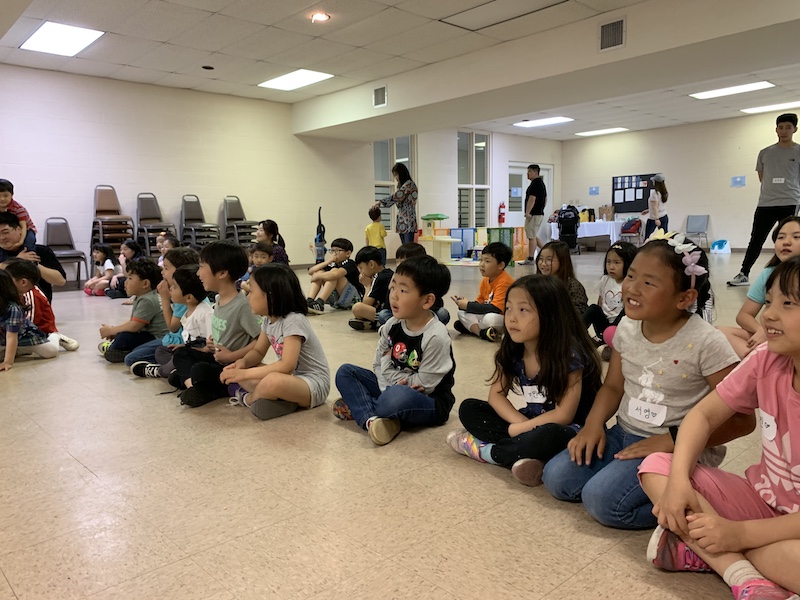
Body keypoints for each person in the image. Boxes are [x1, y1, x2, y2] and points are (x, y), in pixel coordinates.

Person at [541, 236, 754, 530]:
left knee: (602, 501)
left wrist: (670, 441)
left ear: (684, 298)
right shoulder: (627, 327)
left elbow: (743, 420)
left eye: (649, 283)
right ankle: (626, 479)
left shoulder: (707, 342)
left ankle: (697, 499)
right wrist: (593, 424)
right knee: (557, 478)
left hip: (677, 448)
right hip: (625, 433)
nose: (632, 288)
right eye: (631, 276)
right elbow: (613, 387)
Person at [640, 256, 800, 600]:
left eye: (788, 304)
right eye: (769, 301)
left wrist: (738, 535)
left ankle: (711, 553)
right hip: (763, 500)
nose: (768, 315)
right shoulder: (767, 358)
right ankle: (745, 576)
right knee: (658, 467)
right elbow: (703, 415)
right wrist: (679, 482)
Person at [447, 274, 602, 487]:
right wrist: (521, 425)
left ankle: (491, 452)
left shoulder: (569, 355)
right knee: (469, 408)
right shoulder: (514, 348)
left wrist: (519, 430)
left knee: (550, 436)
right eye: (508, 308)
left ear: (550, 315)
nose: (511, 318)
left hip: (569, 429)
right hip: (530, 421)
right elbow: (496, 395)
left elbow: (563, 415)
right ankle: (527, 456)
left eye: (523, 310)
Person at [334, 255, 455, 446]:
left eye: (403, 290)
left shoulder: (436, 336)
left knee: (396, 398)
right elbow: (378, 363)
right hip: (391, 386)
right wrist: (388, 379)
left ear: (427, 300)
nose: (394, 296)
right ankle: (374, 421)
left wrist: (389, 374)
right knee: (345, 372)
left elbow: (425, 383)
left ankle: (363, 407)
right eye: (392, 287)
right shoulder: (392, 324)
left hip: (428, 400)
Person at [223, 263, 331, 420]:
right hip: (294, 380)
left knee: (272, 380)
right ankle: (283, 400)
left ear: (271, 296)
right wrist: (243, 363)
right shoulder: (268, 321)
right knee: (252, 371)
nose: (248, 297)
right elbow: (258, 351)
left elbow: (287, 366)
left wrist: (244, 374)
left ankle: (249, 399)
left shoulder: (294, 320)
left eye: (251, 291)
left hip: (314, 385)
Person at [171, 241, 260, 408]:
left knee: (198, 370)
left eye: (201, 267)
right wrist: (211, 343)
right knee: (181, 354)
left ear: (222, 273)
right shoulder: (219, 299)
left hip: (232, 364)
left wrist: (231, 356)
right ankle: (195, 387)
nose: (198, 273)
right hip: (217, 358)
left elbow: (260, 340)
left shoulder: (241, 306)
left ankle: (203, 387)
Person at [728, 113, 800, 287]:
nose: (784, 131)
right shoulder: (765, 153)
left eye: (788, 127)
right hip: (766, 203)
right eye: (780, 127)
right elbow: (762, 178)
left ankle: (787, 274)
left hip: (789, 201)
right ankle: (744, 273)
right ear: (776, 130)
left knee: (787, 239)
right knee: (756, 239)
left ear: (795, 129)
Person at [719, 216, 800, 359]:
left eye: (796, 237)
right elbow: (744, 315)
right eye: (781, 237)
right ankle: (761, 363)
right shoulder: (769, 274)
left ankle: (760, 363)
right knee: (719, 333)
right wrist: (762, 329)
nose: (786, 242)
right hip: (776, 335)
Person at [130, 264, 213, 379]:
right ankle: (175, 370)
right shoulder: (188, 310)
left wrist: (194, 349)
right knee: (162, 351)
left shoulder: (204, 313)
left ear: (189, 297)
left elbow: (211, 343)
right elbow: (192, 339)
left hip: (201, 356)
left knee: (181, 356)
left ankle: (161, 371)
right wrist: (183, 346)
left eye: (174, 287)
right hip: (189, 351)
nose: (170, 289)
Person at [97, 259, 169, 364]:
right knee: (123, 334)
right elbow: (133, 320)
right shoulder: (141, 297)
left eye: (130, 278)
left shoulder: (147, 300)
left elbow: (134, 326)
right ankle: (118, 349)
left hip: (157, 338)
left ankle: (122, 351)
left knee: (124, 337)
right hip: (148, 335)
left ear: (145, 283)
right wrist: (115, 330)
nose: (125, 282)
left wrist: (112, 331)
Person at [2, 259, 79, 352]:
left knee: (51, 351)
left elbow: (29, 323)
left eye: (9, 280)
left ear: (23, 282)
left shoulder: (31, 295)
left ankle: (55, 336)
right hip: (13, 330)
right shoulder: (10, 290)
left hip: (38, 331)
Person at [451, 241, 514, 342]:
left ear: (501, 265)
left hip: (503, 317)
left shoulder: (505, 281)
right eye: (481, 260)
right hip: (488, 314)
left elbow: (496, 308)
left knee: (489, 319)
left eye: (487, 261)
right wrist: (464, 304)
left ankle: (472, 328)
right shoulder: (485, 280)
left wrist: (468, 305)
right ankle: (481, 333)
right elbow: (480, 303)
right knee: (462, 312)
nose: (482, 265)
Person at [377, 242, 449, 327]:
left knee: (442, 313)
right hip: (399, 314)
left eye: (403, 261)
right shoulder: (395, 277)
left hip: (422, 314)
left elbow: (437, 303)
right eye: (397, 261)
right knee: (383, 314)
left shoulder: (426, 279)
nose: (399, 264)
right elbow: (388, 305)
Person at [0, 212, 65, 303]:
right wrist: (17, 262)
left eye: (5, 232)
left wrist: (32, 264)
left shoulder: (41, 251)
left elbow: (60, 281)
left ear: (19, 229)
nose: (1, 238)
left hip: (39, 305)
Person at [0, 270, 58, 370]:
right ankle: (18, 350)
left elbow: (11, 337)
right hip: (3, 339)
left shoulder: (12, 309)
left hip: (24, 337)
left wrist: (7, 362)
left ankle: (55, 336)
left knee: (50, 352)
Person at [582, 241, 638, 341]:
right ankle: (575, 333)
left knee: (626, 311)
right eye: (608, 262)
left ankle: (609, 342)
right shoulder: (605, 279)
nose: (611, 267)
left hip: (621, 327)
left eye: (616, 263)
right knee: (593, 308)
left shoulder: (630, 284)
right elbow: (600, 302)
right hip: (604, 326)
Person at [305, 238, 364, 314]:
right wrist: (328, 261)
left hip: (353, 299)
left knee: (333, 273)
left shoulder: (350, 263)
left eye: (337, 251)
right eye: (332, 250)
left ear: (348, 253)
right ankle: (309, 300)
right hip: (336, 300)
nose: (334, 253)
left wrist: (318, 276)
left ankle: (320, 302)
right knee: (319, 271)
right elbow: (311, 271)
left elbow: (335, 274)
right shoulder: (332, 264)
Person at [536, 240, 588, 315]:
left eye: (549, 260)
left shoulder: (573, 286)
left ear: (562, 261)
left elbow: (579, 312)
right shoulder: (536, 283)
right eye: (541, 259)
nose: (543, 264)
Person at [349, 245, 393, 331]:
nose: (360, 272)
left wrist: (367, 286)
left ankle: (375, 323)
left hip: (386, 313)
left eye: (361, 268)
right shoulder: (388, 273)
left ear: (371, 264)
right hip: (390, 310)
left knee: (357, 308)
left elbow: (366, 303)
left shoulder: (378, 277)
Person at [374, 163, 418, 244]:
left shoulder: (409, 184)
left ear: (401, 174)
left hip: (408, 220)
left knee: (407, 246)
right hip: (402, 220)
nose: (395, 178)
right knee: (404, 246)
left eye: (396, 175)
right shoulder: (402, 186)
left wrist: (381, 202)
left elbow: (397, 196)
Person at [0, 179, 37, 259]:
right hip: (12, 227)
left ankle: (32, 259)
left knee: (29, 242)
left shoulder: (19, 208)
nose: (2, 199)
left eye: (5, 196)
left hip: (27, 228)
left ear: (12, 195)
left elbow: (23, 227)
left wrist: (20, 242)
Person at [520, 165, 547, 265]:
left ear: (536, 172)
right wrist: (541, 209)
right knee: (533, 235)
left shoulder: (535, 184)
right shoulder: (541, 183)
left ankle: (531, 258)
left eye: (530, 171)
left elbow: (532, 199)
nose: (528, 173)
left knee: (531, 237)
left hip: (534, 214)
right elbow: (545, 199)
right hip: (538, 213)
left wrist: (528, 212)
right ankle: (548, 251)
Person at [642, 174, 669, 240]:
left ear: (656, 182)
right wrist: (648, 210)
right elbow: (658, 206)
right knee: (664, 237)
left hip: (654, 218)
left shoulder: (655, 193)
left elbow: (655, 207)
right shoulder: (664, 192)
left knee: (647, 238)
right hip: (664, 216)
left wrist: (657, 219)